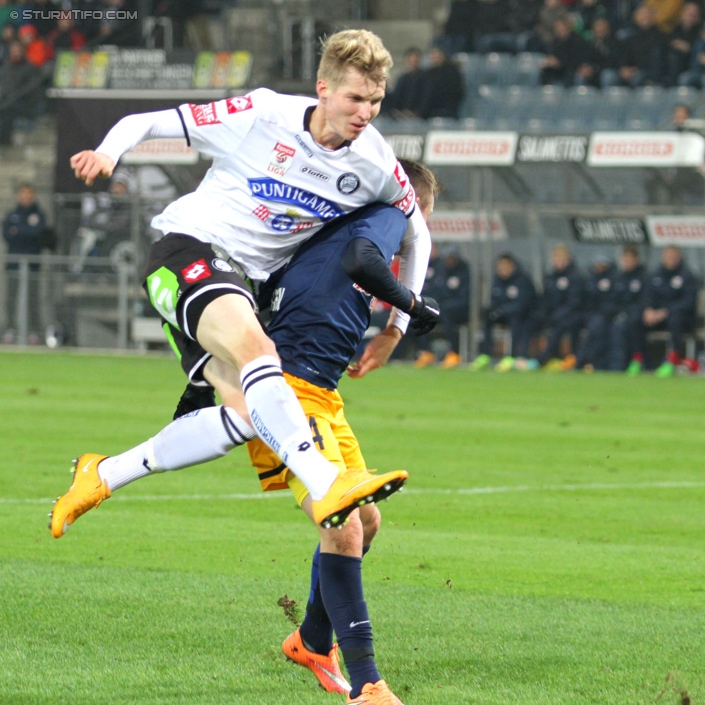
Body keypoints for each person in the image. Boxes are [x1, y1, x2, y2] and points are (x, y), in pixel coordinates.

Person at [50, 29, 434, 538]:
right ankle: (325, 481)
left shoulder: (375, 161)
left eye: (376, 101)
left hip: (240, 286)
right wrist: (108, 152)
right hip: (187, 251)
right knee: (260, 354)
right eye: (356, 98)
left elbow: (417, 234)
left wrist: (395, 329)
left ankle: (104, 473)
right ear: (323, 88)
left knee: (252, 417)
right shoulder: (262, 113)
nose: (366, 112)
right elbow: (145, 121)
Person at [247, 160, 441, 705]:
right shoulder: (386, 212)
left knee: (367, 521)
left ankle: (311, 640)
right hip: (287, 392)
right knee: (344, 525)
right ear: (415, 207)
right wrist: (409, 309)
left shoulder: (333, 227)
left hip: (318, 392)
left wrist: (389, 330)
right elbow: (363, 260)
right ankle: (367, 686)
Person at [2, 183, 52, 342]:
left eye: (28, 194)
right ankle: (10, 329)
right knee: (11, 299)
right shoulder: (12, 215)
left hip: (32, 265)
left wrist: (19, 230)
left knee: (33, 299)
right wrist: (25, 231)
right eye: (23, 194)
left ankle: (34, 331)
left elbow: (37, 234)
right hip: (14, 264)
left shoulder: (39, 215)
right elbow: (7, 235)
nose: (26, 197)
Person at [640, 245, 700, 376]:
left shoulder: (687, 276)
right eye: (668, 256)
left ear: (679, 257)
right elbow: (647, 296)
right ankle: (640, 360)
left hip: (683, 318)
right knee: (635, 320)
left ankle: (672, 359)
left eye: (673, 256)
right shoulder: (656, 276)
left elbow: (689, 302)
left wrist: (666, 311)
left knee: (675, 318)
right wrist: (648, 310)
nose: (670, 259)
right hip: (658, 317)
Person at [473, 252, 537, 371]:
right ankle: (485, 355)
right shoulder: (497, 280)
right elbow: (494, 300)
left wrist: (503, 311)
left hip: (523, 316)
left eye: (504, 266)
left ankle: (512, 357)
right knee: (487, 319)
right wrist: (493, 311)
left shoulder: (522, 281)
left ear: (512, 266)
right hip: (503, 314)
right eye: (500, 266)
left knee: (516, 321)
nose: (502, 269)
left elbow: (523, 304)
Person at [416, 244, 470, 368]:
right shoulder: (441, 271)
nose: (449, 261)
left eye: (451, 258)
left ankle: (454, 353)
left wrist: (445, 305)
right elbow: (436, 291)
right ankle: (427, 352)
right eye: (447, 258)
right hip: (442, 308)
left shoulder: (463, 271)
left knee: (447, 317)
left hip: (460, 310)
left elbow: (464, 297)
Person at [536, 243, 585, 370]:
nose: (558, 261)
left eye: (561, 257)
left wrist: (558, 314)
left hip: (572, 315)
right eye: (556, 257)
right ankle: (526, 357)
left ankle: (547, 359)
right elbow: (545, 299)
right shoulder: (550, 277)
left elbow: (575, 302)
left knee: (563, 324)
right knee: (532, 321)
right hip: (553, 315)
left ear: (568, 259)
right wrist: (544, 314)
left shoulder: (575, 276)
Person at [608, 244, 648, 374]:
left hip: (637, 316)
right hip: (619, 314)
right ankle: (608, 364)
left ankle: (634, 362)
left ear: (636, 260)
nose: (628, 261)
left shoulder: (643, 277)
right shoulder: (617, 277)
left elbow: (645, 300)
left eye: (631, 258)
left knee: (627, 325)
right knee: (602, 325)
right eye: (626, 258)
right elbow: (612, 300)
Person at [576, 255, 617, 372]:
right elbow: (584, 302)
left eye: (601, 265)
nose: (599, 267)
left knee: (598, 329)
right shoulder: (590, 281)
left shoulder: (613, 280)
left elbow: (613, 302)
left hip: (607, 317)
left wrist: (605, 313)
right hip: (589, 316)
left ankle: (586, 362)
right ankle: (583, 361)